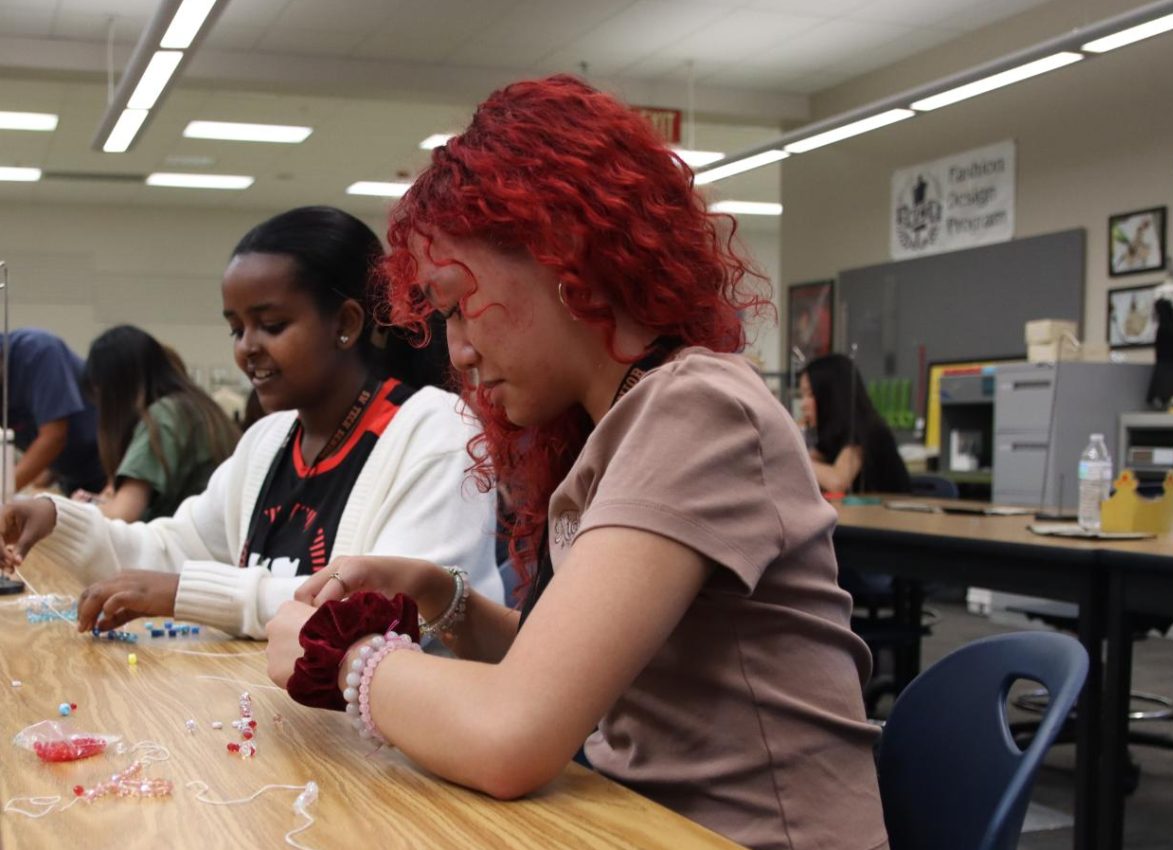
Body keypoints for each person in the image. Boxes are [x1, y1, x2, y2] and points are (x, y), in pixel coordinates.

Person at [263, 78, 887, 850]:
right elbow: (566, 674)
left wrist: (346, 659)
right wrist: (437, 596)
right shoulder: (621, 421)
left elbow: (513, 733)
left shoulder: (697, 408)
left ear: (563, 253)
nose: (456, 352)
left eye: (459, 305)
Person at [0, 206, 502, 639]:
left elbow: (389, 610)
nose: (247, 349)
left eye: (272, 325)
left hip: (385, 748)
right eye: (236, 329)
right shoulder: (267, 442)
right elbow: (168, 551)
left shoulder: (437, 435)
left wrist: (192, 594)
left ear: (347, 324)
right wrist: (56, 519)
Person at [75, 325, 241, 521]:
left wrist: (74, 510)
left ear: (117, 390)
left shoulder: (165, 416)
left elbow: (123, 514)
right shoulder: (199, 406)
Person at [1, 328, 106, 495]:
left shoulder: (38, 350)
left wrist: (4, 490)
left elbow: (54, 436)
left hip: (110, 471)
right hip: (72, 477)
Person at [798, 354, 910, 495]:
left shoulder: (866, 430)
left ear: (831, 395)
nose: (803, 405)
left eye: (809, 394)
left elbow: (838, 481)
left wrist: (798, 462)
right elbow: (808, 462)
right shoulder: (831, 435)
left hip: (889, 515)